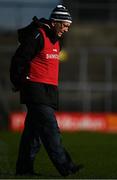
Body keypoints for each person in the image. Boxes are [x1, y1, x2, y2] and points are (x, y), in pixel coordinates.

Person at [10, 4, 83, 177]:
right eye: (64, 25)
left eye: (68, 27)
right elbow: (19, 59)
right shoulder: (38, 35)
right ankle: (66, 167)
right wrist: (18, 81)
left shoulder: (56, 40)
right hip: (35, 89)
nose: (66, 29)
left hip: (48, 91)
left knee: (33, 134)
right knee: (50, 129)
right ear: (55, 22)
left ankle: (24, 169)